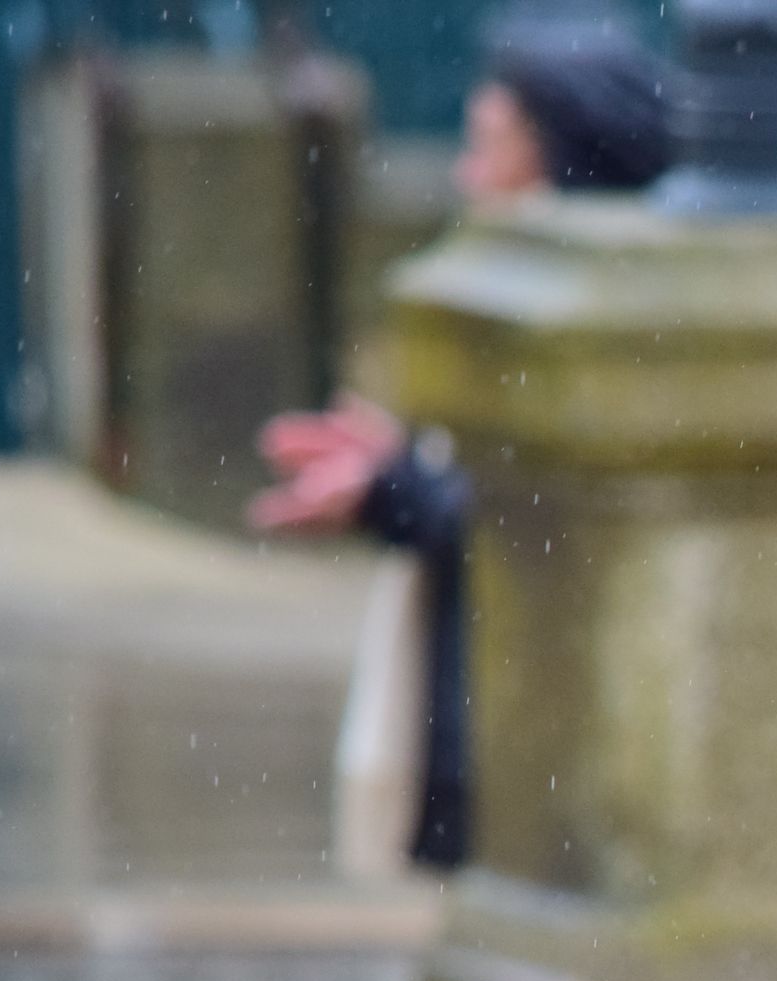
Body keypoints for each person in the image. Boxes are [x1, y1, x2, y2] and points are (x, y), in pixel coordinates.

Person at [246, 2, 668, 867]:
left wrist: (396, 493)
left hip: (549, 786)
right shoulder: (527, 314)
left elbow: (541, 524)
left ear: (552, 170)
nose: (468, 177)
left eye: (488, 148)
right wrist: (394, 483)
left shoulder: (588, 329)